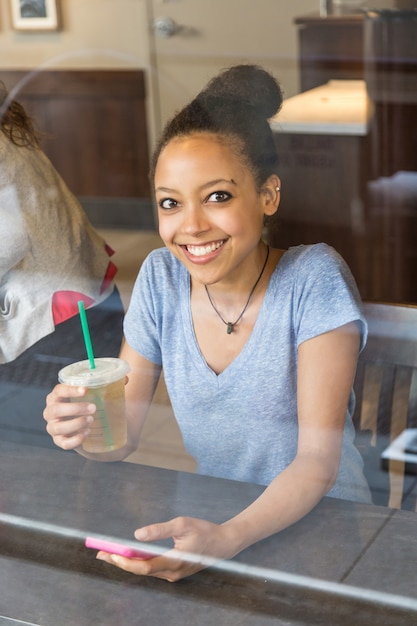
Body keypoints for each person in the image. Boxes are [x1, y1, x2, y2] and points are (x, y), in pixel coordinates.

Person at [43, 64, 371, 581]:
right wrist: (83, 429)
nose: (191, 225)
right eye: (170, 203)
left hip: (327, 528)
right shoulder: (160, 278)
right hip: (214, 519)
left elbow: (316, 463)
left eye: (217, 196)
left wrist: (226, 539)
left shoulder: (314, 278)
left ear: (268, 195)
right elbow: (121, 437)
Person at [0, 82, 124, 441]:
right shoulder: (9, 128)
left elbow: (10, 236)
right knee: (91, 430)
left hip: (54, 315)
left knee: (65, 435)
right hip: (85, 286)